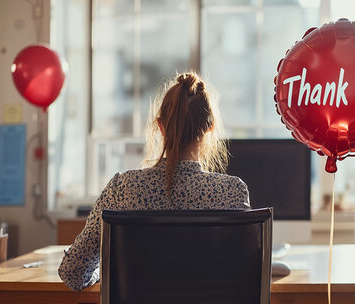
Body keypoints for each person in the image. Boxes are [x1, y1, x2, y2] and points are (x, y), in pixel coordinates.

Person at [59, 72, 250, 291]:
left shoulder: (122, 189)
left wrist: (107, 275)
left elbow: (72, 273)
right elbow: (245, 275)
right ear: (210, 129)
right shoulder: (232, 192)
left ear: (160, 126)